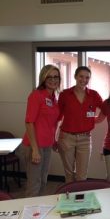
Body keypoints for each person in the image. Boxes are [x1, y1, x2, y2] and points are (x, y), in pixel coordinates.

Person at [58, 66, 103, 183]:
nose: (84, 79)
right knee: (69, 175)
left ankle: (80, 200)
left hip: (85, 139)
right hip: (66, 137)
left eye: (87, 77)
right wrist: (53, 138)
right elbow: (57, 117)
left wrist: (95, 120)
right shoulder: (65, 94)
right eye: (81, 76)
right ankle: (69, 200)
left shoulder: (94, 95)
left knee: (81, 176)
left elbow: (106, 109)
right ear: (75, 77)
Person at [22, 64, 61, 197]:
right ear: (43, 78)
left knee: (43, 181)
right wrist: (35, 149)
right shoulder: (36, 95)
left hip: (47, 145)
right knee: (34, 184)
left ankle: (38, 213)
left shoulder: (54, 99)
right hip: (35, 146)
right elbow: (29, 122)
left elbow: (52, 123)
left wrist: (54, 140)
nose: (53, 79)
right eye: (49, 76)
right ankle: (29, 215)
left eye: (56, 77)